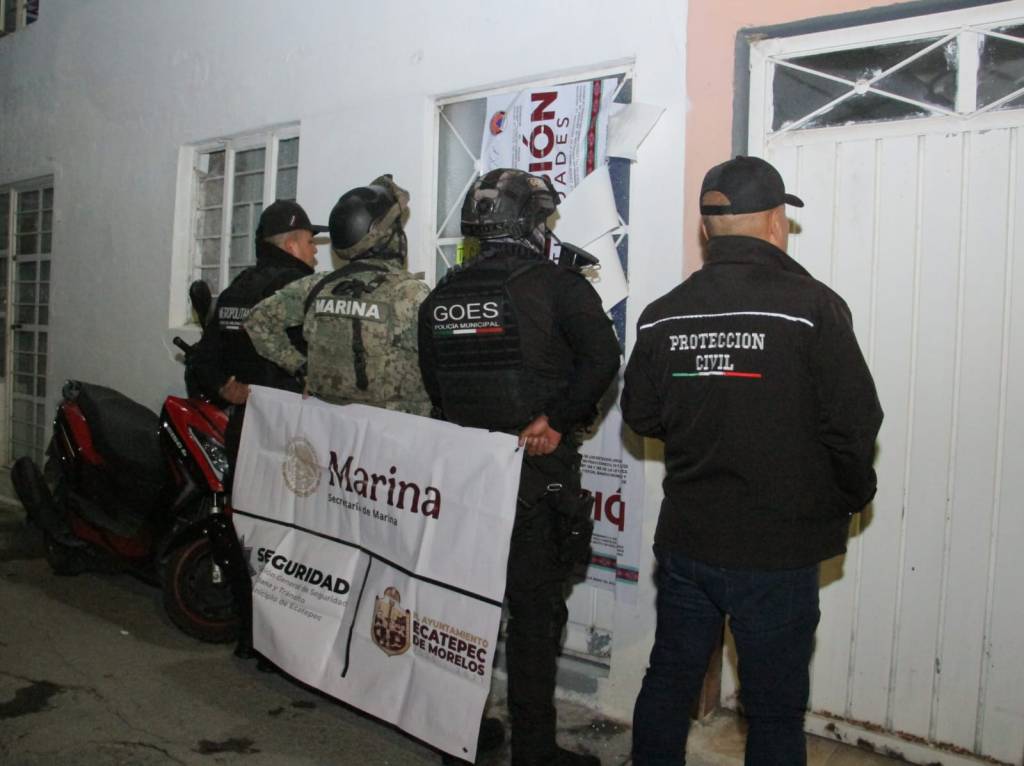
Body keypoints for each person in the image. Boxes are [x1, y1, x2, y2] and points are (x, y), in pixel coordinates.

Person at [623, 156, 883, 766]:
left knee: (669, 681)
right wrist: (850, 496)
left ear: (706, 228)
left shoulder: (662, 314)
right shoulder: (811, 307)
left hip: (688, 541)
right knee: (774, 710)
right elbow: (854, 423)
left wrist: (702, 414)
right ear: (774, 223)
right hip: (777, 549)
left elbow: (642, 417)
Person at [418, 168, 621, 766]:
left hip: (466, 473)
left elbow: (436, 385)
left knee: (464, 608)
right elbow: (603, 358)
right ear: (531, 222)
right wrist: (556, 419)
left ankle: (458, 736)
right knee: (535, 615)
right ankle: (534, 751)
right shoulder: (559, 286)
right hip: (536, 472)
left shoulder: (441, 295)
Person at [189, 199, 327, 660]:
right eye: (310, 242)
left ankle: (250, 636)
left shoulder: (236, 290)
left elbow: (203, 360)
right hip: (293, 436)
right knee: (294, 540)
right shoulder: (302, 290)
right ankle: (284, 647)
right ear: (290, 244)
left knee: (249, 531)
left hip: (246, 431)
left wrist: (227, 388)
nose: (315, 251)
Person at [245, 175, 430, 415]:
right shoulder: (410, 293)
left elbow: (257, 320)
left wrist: (301, 368)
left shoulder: (316, 287)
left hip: (331, 427)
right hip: (397, 429)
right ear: (383, 237)